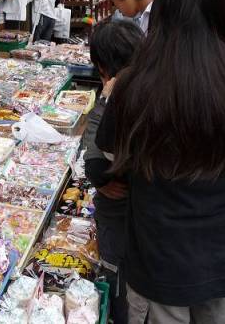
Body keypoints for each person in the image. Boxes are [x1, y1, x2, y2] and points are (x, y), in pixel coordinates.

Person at [96, 0, 225, 323]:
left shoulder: (133, 83)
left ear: (165, 10)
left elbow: (111, 155)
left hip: (159, 254)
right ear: (221, 11)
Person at [83, 20, 143, 324]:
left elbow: (96, 164)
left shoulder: (124, 98)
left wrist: (105, 98)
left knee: (120, 283)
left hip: (123, 216)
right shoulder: (154, 87)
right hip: (145, 219)